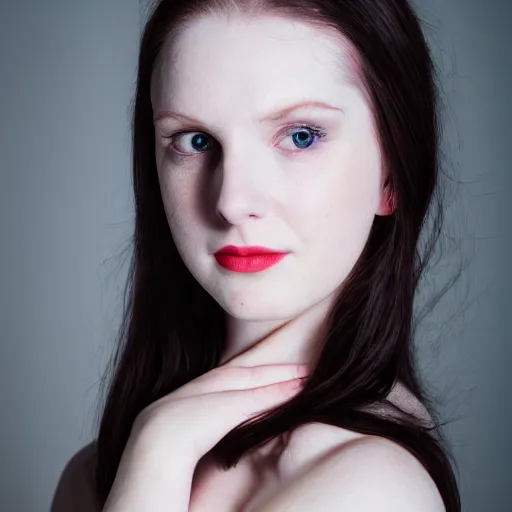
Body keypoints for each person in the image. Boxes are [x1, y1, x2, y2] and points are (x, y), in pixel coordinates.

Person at [51, 0, 462, 511]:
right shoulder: (104, 468)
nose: (231, 201)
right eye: (195, 140)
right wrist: (157, 453)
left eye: (301, 136)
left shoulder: (374, 489)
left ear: (392, 174)